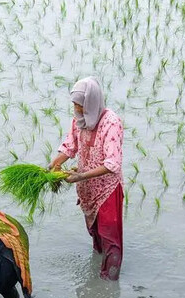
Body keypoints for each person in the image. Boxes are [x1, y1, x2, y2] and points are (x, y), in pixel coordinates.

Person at [48, 76, 125, 280]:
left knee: (110, 238)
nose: (76, 109)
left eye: (79, 105)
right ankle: (97, 279)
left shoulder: (111, 122)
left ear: (91, 102)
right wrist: (54, 165)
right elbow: (70, 146)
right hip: (86, 188)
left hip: (107, 189)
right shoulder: (78, 121)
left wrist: (81, 175)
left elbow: (112, 164)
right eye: (74, 104)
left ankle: (109, 282)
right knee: (95, 233)